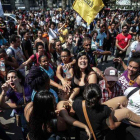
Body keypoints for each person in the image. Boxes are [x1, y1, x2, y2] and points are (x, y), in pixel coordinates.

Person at [0, 70, 32, 139]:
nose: (11, 80)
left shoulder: (28, 87)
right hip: (21, 116)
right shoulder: (10, 92)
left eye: (13, 77)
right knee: (25, 132)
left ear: (20, 79)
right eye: (8, 78)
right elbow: (1, 105)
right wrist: (3, 92)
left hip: (32, 114)